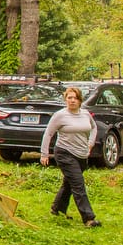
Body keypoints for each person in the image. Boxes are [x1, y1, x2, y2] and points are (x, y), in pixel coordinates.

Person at [39, 86, 101, 227]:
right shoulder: (60, 115)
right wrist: (44, 154)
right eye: (69, 98)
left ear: (80, 100)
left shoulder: (85, 114)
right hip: (64, 153)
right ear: (66, 100)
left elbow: (94, 127)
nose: (72, 101)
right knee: (78, 184)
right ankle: (88, 218)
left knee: (69, 183)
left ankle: (57, 209)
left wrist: (90, 143)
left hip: (82, 154)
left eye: (75, 98)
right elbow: (48, 134)